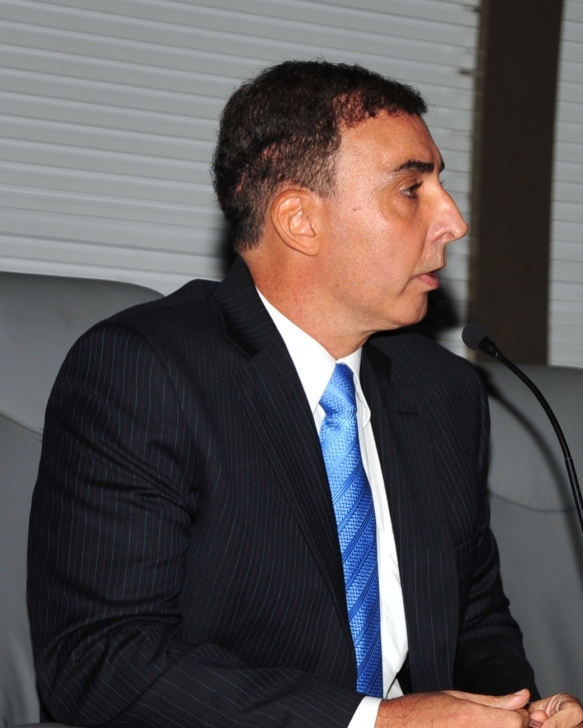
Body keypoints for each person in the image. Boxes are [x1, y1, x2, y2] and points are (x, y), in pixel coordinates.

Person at [28, 60, 582, 728]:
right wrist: (374, 722)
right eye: (412, 189)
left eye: (441, 184)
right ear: (299, 220)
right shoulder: (145, 371)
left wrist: (519, 711)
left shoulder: (446, 390)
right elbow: (100, 660)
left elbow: (474, 623)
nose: (453, 221)